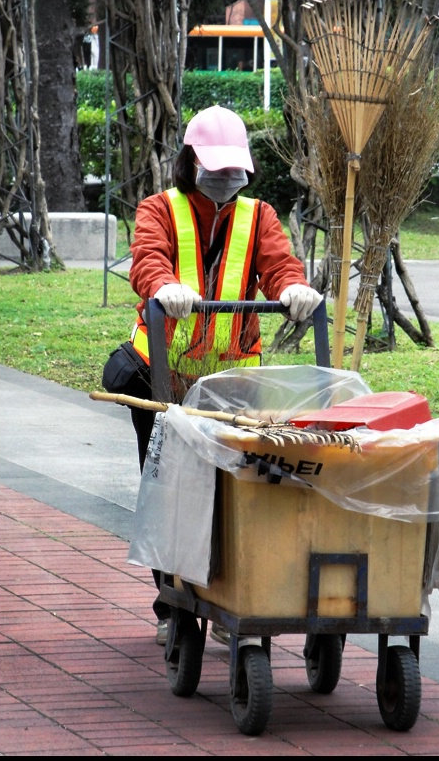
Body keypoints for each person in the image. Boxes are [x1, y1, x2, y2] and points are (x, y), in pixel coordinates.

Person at [125, 105, 323, 645]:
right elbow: (147, 259)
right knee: (169, 489)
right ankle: (173, 604)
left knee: (235, 489)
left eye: (232, 172)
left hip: (235, 385)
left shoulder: (259, 217)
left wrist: (292, 289)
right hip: (163, 378)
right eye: (213, 170)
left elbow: (279, 264)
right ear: (189, 162)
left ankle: (227, 594)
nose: (223, 182)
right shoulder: (158, 208)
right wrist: (164, 286)